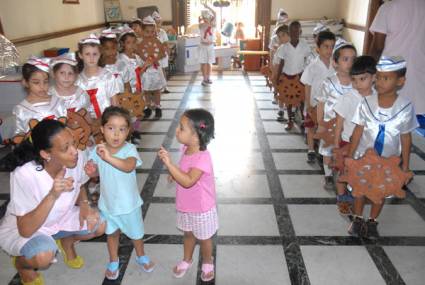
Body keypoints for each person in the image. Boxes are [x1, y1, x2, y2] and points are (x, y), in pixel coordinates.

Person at [0, 120, 105, 284]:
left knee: (100, 224)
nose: (74, 151)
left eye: (73, 143)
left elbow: (80, 184)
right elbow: (25, 230)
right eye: (65, 148)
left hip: (60, 218)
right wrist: (53, 194)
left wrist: (84, 204)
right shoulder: (25, 174)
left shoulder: (76, 157)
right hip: (29, 228)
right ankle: (23, 266)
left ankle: (67, 242)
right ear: (45, 154)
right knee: (43, 256)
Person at [348, 56, 418, 239]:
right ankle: (357, 219)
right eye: (378, 77)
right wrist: (349, 156)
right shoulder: (366, 104)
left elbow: (406, 137)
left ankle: (372, 221)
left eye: (385, 78)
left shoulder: (405, 107)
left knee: (381, 191)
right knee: (359, 190)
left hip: (389, 160)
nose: (379, 81)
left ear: (400, 81)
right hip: (363, 157)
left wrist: (405, 166)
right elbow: (357, 131)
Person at [84, 106, 155, 280]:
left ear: (128, 132)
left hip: (129, 205)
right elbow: (96, 174)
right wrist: (91, 171)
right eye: (111, 128)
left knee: (136, 235)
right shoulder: (97, 150)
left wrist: (107, 157)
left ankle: (141, 256)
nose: (116, 134)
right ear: (102, 129)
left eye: (122, 129)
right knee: (112, 234)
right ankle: (113, 260)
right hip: (108, 204)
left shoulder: (129, 149)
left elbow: (128, 166)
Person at [158, 108, 217, 282]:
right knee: (188, 234)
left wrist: (169, 165)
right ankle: (187, 259)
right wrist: (174, 172)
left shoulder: (203, 158)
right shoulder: (186, 148)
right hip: (185, 205)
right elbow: (183, 169)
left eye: (181, 128)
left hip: (201, 208)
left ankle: (207, 262)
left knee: (204, 239)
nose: (177, 130)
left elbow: (188, 181)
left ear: (196, 136)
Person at [333, 55, 377, 215]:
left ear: (374, 78)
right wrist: (337, 144)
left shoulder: (377, 99)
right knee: (343, 171)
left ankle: (355, 194)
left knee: (359, 172)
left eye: (362, 79)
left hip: (366, 145)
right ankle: (342, 196)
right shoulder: (348, 98)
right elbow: (339, 122)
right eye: (355, 80)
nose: (358, 84)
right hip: (346, 142)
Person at [368, 0, 425, 118]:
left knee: (389, 119)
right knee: (415, 122)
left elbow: (378, 47)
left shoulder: (388, 8)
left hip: (391, 74)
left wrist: (368, 70)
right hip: (420, 74)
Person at [316, 39, 356, 189]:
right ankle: (327, 175)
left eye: (353, 59)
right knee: (328, 151)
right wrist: (320, 124)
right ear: (335, 62)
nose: (350, 63)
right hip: (330, 124)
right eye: (345, 59)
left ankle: (344, 176)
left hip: (349, 127)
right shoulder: (329, 82)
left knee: (344, 152)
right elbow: (321, 103)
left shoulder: (357, 84)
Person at [300, 31, 336, 163]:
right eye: (326, 46)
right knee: (311, 127)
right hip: (313, 102)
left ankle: (323, 150)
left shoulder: (335, 65)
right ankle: (310, 149)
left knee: (325, 126)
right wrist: (308, 103)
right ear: (318, 48)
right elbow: (307, 85)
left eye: (332, 46)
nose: (329, 50)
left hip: (329, 104)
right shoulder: (313, 66)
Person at [13, 57, 66, 135]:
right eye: (36, 82)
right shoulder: (21, 110)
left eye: (45, 81)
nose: (42, 86)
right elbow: (19, 135)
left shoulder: (58, 102)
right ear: (25, 82)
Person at [274, 21, 311, 130]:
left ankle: (303, 120)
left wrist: (307, 76)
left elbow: (308, 60)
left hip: (300, 77)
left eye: (297, 30)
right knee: (288, 100)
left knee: (301, 100)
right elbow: (281, 63)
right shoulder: (284, 47)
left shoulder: (304, 46)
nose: (294, 33)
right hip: (287, 77)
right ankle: (290, 120)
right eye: (292, 31)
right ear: (289, 32)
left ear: (300, 31)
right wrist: (277, 77)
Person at [76, 34, 121, 120]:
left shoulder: (108, 76)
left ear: (100, 54)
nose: (91, 58)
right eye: (87, 54)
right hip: (89, 123)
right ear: (80, 55)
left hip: (108, 120)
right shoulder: (78, 81)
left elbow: (115, 103)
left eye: (95, 54)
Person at [137, 16, 167, 119]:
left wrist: (162, 51)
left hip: (155, 69)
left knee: (157, 89)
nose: (150, 34)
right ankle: (148, 107)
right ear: (142, 31)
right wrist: (144, 63)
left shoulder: (157, 42)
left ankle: (158, 106)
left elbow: (161, 53)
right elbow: (139, 56)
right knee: (146, 90)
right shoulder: (139, 44)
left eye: (152, 32)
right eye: (147, 32)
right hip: (145, 71)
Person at [100, 28, 132, 93]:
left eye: (113, 48)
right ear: (101, 50)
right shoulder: (99, 67)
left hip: (122, 99)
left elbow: (127, 85)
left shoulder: (121, 64)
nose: (111, 51)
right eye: (107, 49)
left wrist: (129, 98)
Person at [198, 3, 217, 86]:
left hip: (210, 47)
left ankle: (208, 78)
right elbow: (202, 25)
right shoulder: (201, 25)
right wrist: (202, 19)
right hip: (203, 46)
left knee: (209, 63)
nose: (206, 18)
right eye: (204, 17)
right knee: (203, 62)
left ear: (210, 17)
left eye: (207, 17)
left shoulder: (213, 25)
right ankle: (204, 78)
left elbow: (215, 13)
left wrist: (208, 7)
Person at [152, 11, 170, 94]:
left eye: (159, 22)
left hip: (163, 54)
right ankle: (158, 87)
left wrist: (168, 52)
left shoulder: (162, 32)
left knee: (163, 71)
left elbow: (166, 43)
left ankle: (165, 86)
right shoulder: (151, 33)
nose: (158, 24)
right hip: (155, 55)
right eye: (156, 22)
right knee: (157, 71)